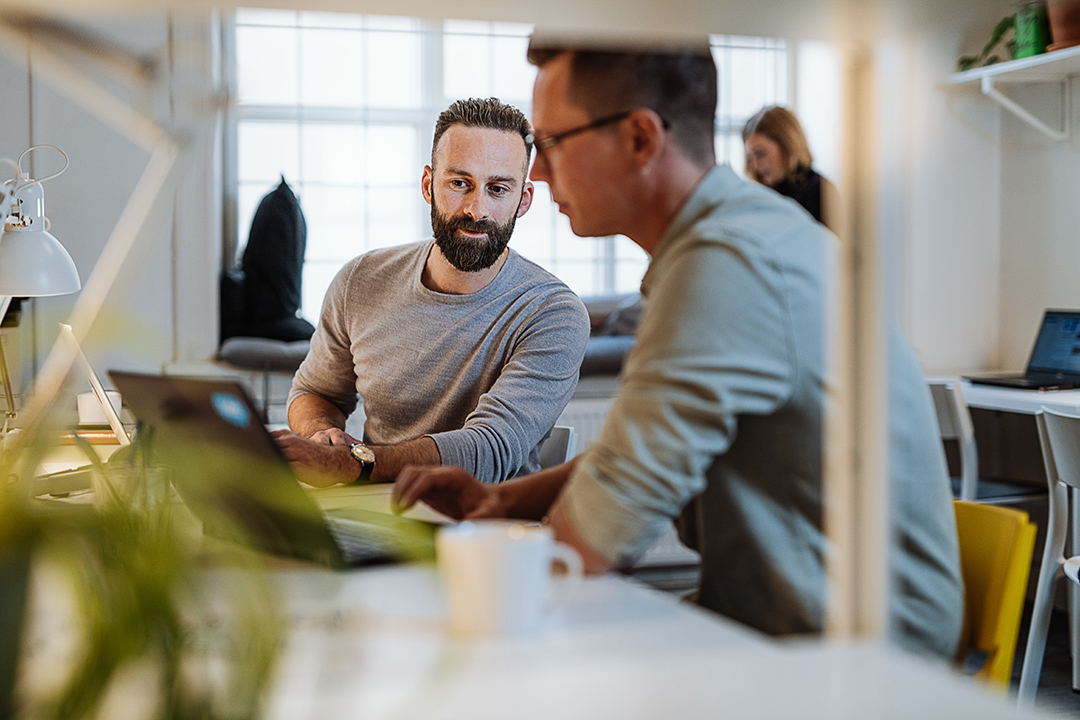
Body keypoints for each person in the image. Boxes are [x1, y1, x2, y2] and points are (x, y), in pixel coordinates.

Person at [393, 40, 964, 660]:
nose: (536, 174)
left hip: (856, 665)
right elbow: (629, 460)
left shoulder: (725, 267)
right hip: (784, 629)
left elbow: (583, 551)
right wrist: (503, 500)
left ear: (640, 138)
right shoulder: (736, 236)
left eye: (552, 143)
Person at [274, 98, 590, 488]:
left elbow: (488, 450)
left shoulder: (554, 313)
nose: (477, 209)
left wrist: (350, 464)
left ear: (523, 200)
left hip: (485, 528)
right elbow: (315, 392)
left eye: (498, 189)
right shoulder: (360, 280)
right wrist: (321, 434)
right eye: (460, 184)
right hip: (371, 513)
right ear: (428, 185)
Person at [742, 105, 839, 233]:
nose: (754, 165)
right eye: (750, 157)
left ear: (787, 147)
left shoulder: (820, 191)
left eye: (761, 154)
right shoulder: (759, 193)